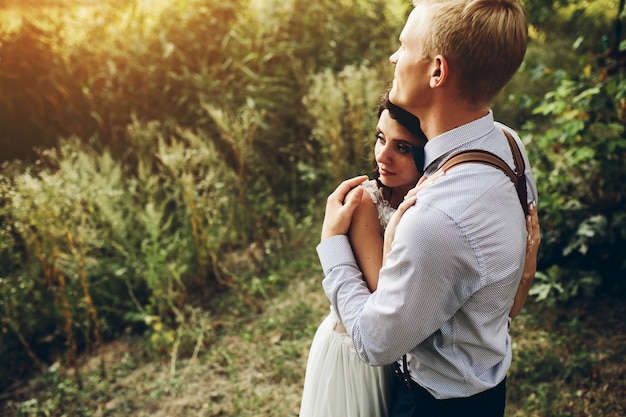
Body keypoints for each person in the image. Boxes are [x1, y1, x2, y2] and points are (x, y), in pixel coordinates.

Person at [317, 1, 538, 416]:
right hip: (489, 389)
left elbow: (373, 341)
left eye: (403, 45)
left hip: (433, 404)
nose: (393, 57)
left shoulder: (435, 218)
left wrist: (332, 246)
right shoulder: (508, 145)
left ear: (437, 71)